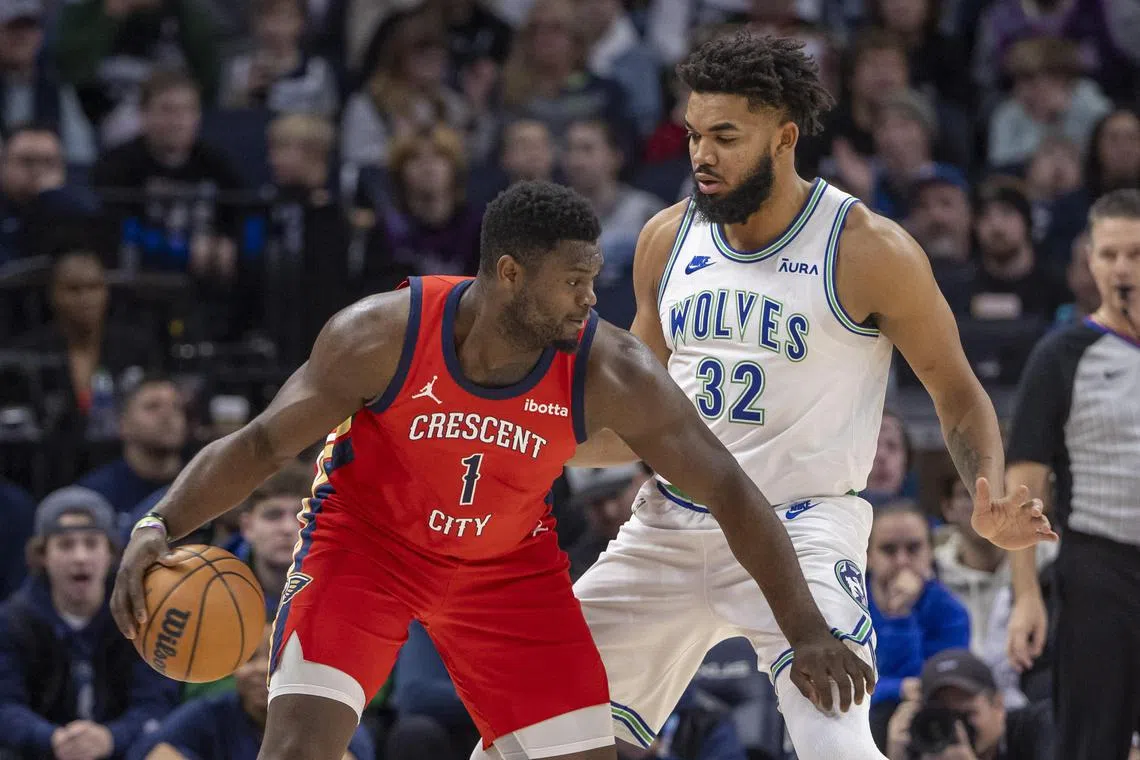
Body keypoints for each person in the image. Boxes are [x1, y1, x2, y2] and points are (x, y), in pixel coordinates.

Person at [110, 180, 874, 760]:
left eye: (593, 278)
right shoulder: (380, 335)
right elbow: (260, 446)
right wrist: (159, 524)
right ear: (510, 273)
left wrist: (805, 628)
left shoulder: (612, 369)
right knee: (298, 749)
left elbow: (729, 489)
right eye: (573, 280)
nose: (590, 298)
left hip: (505, 571)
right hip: (366, 550)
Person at [568, 32, 1056, 760]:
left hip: (803, 527)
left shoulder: (868, 248)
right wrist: (530, 440)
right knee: (527, 731)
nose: (702, 155)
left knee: (837, 745)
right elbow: (637, 416)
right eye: (695, 134)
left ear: (784, 138)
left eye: (726, 137)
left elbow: (956, 390)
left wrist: (984, 489)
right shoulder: (665, 240)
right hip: (670, 521)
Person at [1004, 188, 1140, 759]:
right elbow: (1024, 485)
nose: (1122, 268)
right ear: (1090, 261)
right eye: (1109, 254)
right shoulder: (1061, 355)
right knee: (1091, 743)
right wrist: (1026, 596)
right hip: (1097, 569)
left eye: (1135, 253)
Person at [885, 648, 1055, 760]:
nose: (957, 728)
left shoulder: (1038, 729)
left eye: (965, 714)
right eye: (944, 717)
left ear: (998, 705)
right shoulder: (919, 743)